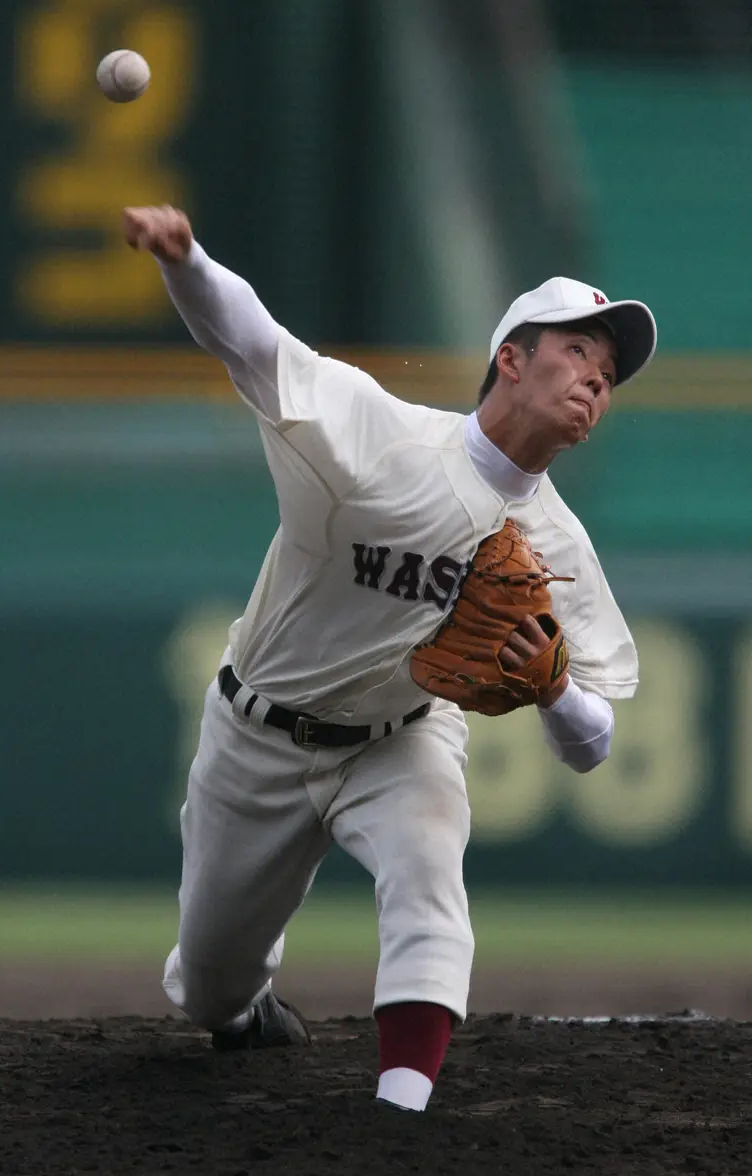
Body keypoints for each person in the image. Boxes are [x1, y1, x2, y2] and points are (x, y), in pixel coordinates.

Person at [122, 205, 657, 1113]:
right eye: (577, 353)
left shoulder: (560, 546)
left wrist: (558, 692)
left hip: (398, 737)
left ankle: (400, 1113)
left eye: (608, 376)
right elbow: (256, 347)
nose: (595, 380)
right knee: (208, 986)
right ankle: (245, 1009)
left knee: (428, 864)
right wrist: (186, 258)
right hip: (259, 731)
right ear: (512, 358)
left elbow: (593, 743)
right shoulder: (385, 437)